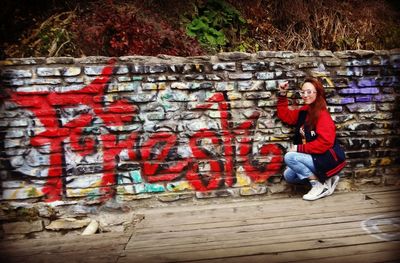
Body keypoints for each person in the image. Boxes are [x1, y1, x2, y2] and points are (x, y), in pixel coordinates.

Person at [277, 77, 340, 201]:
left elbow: (325, 143)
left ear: (318, 93)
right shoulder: (306, 111)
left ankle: (318, 186)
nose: (305, 95)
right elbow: (286, 116)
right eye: (303, 92)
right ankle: (326, 179)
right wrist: (282, 94)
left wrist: (298, 148)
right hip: (313, 157)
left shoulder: (322, 115)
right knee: (289, 176)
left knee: (290, 157)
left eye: (309, 92)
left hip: (325, 159)